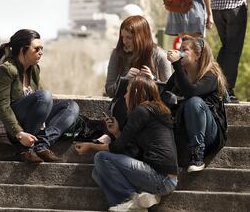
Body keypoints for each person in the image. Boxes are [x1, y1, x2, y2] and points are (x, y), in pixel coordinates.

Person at [75, 76, 178, 212]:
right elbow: (132, 151)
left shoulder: (142, 111)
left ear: (136, 93)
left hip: (161, 178)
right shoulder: (155, 110)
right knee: (97, 172)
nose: (124, 96)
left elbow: (117, 148)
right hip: (163, 177)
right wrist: (117, 132)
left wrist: (90, 146)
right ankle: (134, 204)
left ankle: (131, 199)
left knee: (101, 158)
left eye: (127, 91)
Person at [0, 29, 80, 163]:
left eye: (41, 48)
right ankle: (24, 150)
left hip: (28, 121)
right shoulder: (6, 70)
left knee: (71, 107)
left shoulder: (34, 69)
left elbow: (41, 105)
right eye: (36, 49)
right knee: (44, 96)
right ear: (22, 50)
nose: (41, 52)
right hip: (3, 123)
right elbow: (2, 107)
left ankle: (42, 144)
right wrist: (19, 134)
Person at [165, 35, 228, 173]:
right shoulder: (179, 75)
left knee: (194, 102)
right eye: (179, 49)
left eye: (184, 49)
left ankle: (197, 156)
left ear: (197, 54)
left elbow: (192, 92)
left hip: (210, 133)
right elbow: (163, 95)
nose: (180, 52)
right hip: (185, 131)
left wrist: (176, 65)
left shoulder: (211, 75)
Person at [105, 15, 172, 126]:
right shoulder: (117, 55)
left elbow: (170, 95)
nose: (124, 41)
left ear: (141, 36)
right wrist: (125, 80)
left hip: (151, 113)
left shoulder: (160, 56)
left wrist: (153, 80)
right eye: (122, 37)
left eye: (129, 37)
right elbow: (109, 91)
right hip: (122, 109)